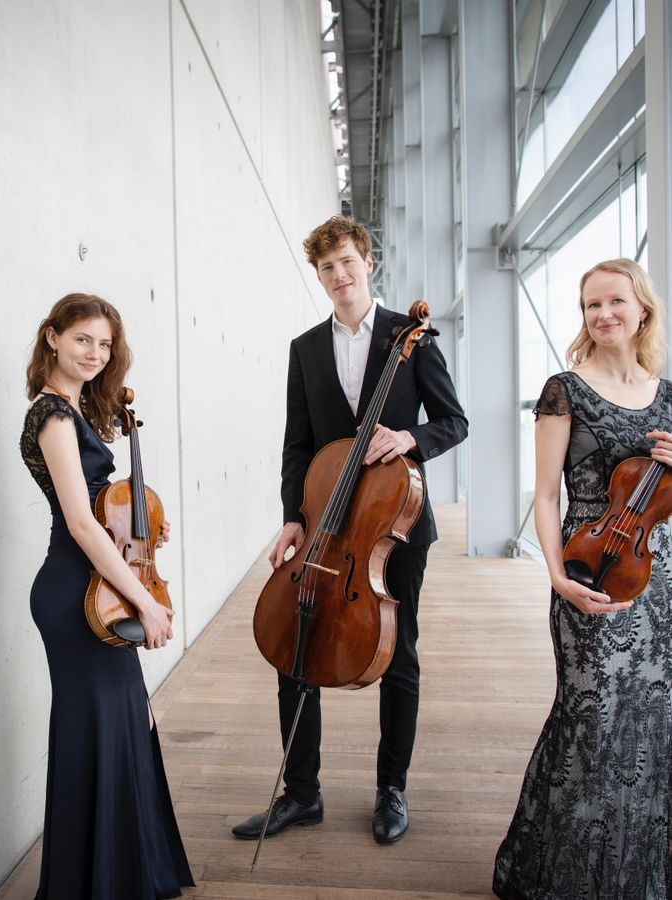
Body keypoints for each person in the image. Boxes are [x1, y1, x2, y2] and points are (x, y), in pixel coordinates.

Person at [232, 215, 467, 845]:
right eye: (326, 267)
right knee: (296, 644)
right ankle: (301, 794)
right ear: (319, 276)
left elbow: (454, 421)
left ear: (369, 263)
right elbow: (298, 445)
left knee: (399, 654)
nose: (339, 275)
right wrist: (293, 517)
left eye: (347, 262)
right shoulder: (306, 348)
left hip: (396, 524)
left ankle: (392, 790)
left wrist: (410, 438)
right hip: (324, 526)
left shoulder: (410, 337)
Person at [493, 258, 671, 899]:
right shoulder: (565, 390)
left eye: (615, 301)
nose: (603, 315)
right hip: (586, 569)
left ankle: (632, 879)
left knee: (649, 722)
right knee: (589, 718)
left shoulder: (668, 395)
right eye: (592, 305)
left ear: (642, 308)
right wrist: (556, 577)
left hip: (655, 578)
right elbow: (546, 496)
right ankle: (560, 878)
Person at [20, 293, 194, 899]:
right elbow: (79, 523)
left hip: (98, 583)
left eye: (104, 343)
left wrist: (140, 528)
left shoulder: (75, 409)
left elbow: (101, 514)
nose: (95, 353)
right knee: (95, 732)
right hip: (78, 593)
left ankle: (113, 876)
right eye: (82, 340)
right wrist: (143, 599)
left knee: (122, 724)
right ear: (52, 337)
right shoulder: (53, 415)